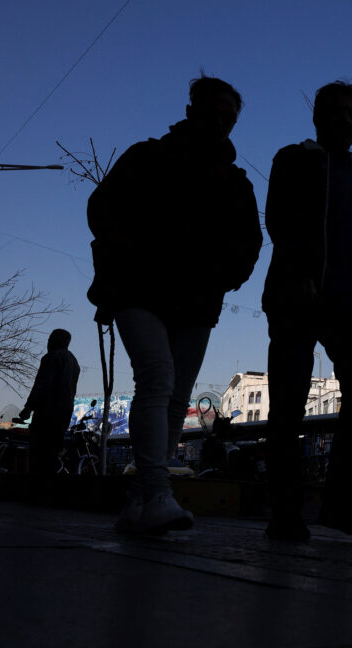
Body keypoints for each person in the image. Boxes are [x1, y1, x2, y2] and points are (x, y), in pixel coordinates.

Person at [87, 75, 262, 534]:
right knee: (157, 379)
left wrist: (223, 277)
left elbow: (249, 240)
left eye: (229, 117)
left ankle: (140, 501)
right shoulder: (147, 157)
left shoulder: (234, 182)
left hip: (198, 299)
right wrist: (129, 257)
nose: (221, 122)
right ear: (191, 111)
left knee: (175, 393)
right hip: (138, 289)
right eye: (213, 112)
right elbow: (101, 209)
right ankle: (158, 492)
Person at [262, 79, 352, 541]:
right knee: (288, 402)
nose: (347, 120)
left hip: (348, 304)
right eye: (339, 111)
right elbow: (279, 219)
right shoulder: (294, 159)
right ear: (318, 116)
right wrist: (298, 270)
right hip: (296, 295)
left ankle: (338, 504)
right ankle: (285, 513)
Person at [19, 329, 80, 475]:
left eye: (49, 339)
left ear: (54, 341)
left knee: (39, 453)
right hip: (64, 413)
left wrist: (28, 407)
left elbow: (42, 384)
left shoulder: (52, 357)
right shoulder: (74, 361)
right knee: (52, 453)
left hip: (48, 412)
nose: (48, 343)